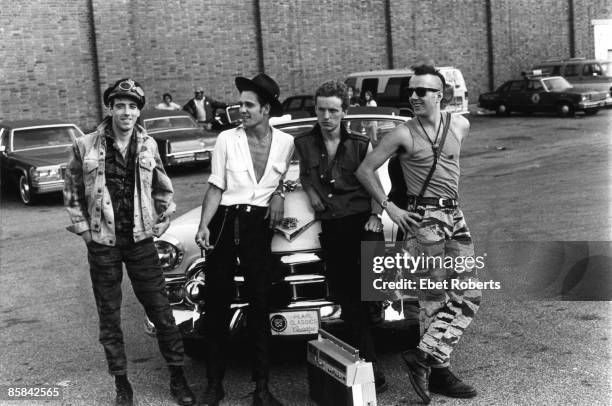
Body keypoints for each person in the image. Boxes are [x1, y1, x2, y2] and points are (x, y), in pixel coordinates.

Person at [63, 78, 196, 406]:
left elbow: (164, 188)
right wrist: (83, 231)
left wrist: (163, 216)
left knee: (162, 312)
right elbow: (70, 190)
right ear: (110, 108)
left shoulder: (148, 145)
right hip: (103, 242)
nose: (126, 111)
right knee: (109, 315)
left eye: (132, 106)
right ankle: (122, 385)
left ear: (139, 111)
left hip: (140, 240)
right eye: (120, 105)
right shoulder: (85, 145)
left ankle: (178, 379)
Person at [356, 64, 481, 403]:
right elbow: (365, 170)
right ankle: (439, 373)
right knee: (431, 300)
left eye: (421, 91)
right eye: (410, 91)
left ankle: (422, 355)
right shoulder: (402, 134)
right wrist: (388, 206)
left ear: (441, 95)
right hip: (422, 218)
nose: (414, 96)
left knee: (470, 294)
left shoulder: (460, 124)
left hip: (454, 213)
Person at [194, 73, 294, 406]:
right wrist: (203, 225)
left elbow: (292, 177)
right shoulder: (226, 139)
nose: (241, 110)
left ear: (266, 109)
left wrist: (280, 191)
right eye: (240, 104)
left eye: (248, 105)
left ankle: (262, 388)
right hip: (225, 222)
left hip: (257, 227)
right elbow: (215, 185)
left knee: (261, 303)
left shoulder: (285, 143)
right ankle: (214, 384)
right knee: (218, 304)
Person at [293, 80, 388, 393]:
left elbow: (374, 183)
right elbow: (303, 173)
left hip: (362, 223)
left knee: (369, 296)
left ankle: (371, 361)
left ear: (345, 112)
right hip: (332, 225)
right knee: (347, 299)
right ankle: (368, 365)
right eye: (321, 109)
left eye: (333, 110)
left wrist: (376, 216)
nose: (326, 116)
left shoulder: (360, 144)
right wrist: (309, 190)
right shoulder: (304, 143)